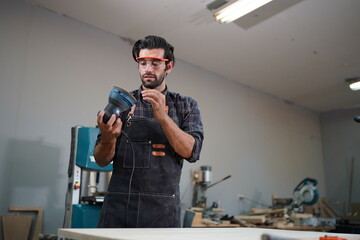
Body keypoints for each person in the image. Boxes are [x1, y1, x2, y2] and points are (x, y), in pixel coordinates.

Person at [94, 35, 204, 228]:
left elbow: (191, 151)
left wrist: (163, 117)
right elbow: (101, 160)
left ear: (168, 67)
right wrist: (108, 138)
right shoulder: (123, 103)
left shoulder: (185, 105)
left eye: (155, 63)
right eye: (143, 63)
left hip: (162, 211)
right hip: (119, 209)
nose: (148, 69)